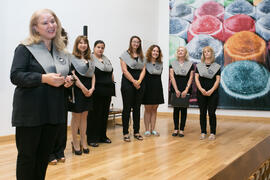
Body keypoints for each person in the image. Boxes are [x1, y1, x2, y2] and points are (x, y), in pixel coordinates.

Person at [10, 9, 73, 180]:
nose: (51, 25)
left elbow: (63, 78)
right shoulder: (25, 49)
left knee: (43, 157)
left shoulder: (61, 52)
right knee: (27, 157)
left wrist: (67, 81)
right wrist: (43, 78)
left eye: (53, 21)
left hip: (52, 113)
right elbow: (16, 76)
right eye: (45, 23)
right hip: (30, 114)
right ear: (36, 28)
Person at [69, 35, 95, 155]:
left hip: (89, 89)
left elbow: (93, 74)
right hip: (78, 89)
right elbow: (73, 75)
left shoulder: (90, 58)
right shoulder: (72, 58)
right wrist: (83, 88)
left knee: (85, 116)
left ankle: (83, 140)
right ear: (77, 45)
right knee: (76, 117)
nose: (83, 45)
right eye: (80, 43)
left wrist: (92, 88)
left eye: (85, 43)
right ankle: (75, 142)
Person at [87, 40, 115, 147]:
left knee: (104, 114)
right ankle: (91, 138)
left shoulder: (105, 59)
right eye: (98, 47)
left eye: (102, 47)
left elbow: (111, 72)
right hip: (97, 91)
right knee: (94, 115)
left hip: (107, 91)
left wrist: (112, 82)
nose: (100, 49)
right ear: (94, 48)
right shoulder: (90, 58)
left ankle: (102, 136)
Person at [48, 27, 69, 165]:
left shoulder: (65, 55)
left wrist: (70, 80)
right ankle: (49, 153)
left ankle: (60, 150)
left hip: (62, 92)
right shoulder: (45, 54)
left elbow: (70, 73)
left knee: (62, 123)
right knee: (50, 124)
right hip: (48, 93)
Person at [120, 35, 146, 142]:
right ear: (130, 42)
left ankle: (136, 131)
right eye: (134, 42)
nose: (136, 44)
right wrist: (133, 81)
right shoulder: (124, 55)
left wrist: (139, 81)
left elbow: (144, 69)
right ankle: (126, 132)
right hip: (128, 83)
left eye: (138, 42)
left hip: (140, 82)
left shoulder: (142, 56)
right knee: (127, 108)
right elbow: (124, 70)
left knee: (137, 108)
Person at [195, 46, 221, 140]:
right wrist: (201, 89)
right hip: (201, 92)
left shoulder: (216, 66)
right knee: (202, 113)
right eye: (204, 52)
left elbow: (218, 80)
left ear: (212, 53)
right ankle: (203, 132)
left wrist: (211, 90)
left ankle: (213, 133)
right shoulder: (199, 66)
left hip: (212, 93)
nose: (206, 53)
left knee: (211, 113)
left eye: (208, 51)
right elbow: (196, 78)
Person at [169, 46, 194, 137]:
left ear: (185, 53)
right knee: (176, 109)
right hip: (175, 89)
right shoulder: (173, 63)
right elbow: (172, 77)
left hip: (185, 89)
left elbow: (191, 77)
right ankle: (176, 129)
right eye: (178, 50)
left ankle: (182, 129)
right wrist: (176, 90)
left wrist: (186, 90)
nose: (180, 52)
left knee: (183, 110)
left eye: (182, 50)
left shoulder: (190, 64)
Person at [142, 45, 164, 137]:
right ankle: (147, 130)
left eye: (157, 51)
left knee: (154, 109)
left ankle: (153, 129)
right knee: (147, 109)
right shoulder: (145, 62)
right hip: (147, 88)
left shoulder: (161, 63)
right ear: (150, 51)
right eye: (154, 51)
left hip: (157, 88)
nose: (155, 53)